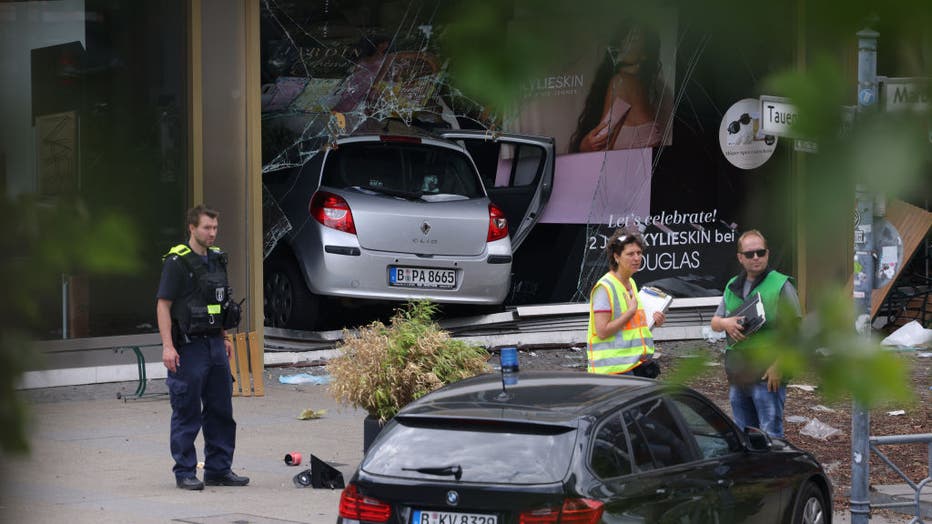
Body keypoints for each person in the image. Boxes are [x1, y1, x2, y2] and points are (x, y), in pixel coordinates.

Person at [157, 205, 248, 490]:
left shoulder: (218, 259)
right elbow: (163, 305)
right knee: (187, 411)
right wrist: (168, 347)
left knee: (221, 409)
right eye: (207, 227)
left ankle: (219, 469)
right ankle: (185, 472)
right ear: (192, 228)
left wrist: (223, 337)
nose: (212, 233)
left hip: (214, 345)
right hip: (189, 347)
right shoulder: (177, 261)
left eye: (215, 228)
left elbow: (217, 304)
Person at [710, 229, 802, 439]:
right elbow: (715, 322)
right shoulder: (732, 285)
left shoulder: (781, 284)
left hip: (767, 374)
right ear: (740, 258)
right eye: (750, 254)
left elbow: (795, 332)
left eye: (760, 252)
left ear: (767, 254)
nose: (756, 258)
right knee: (743, 435)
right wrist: (726, 323)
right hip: (738, 373)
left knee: (770, 435)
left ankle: (773, 471)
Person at [570, 22, 664, 153]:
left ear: (645, 54)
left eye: (634, 38)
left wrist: (583, 146)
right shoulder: (638, 89)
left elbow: (601, 143)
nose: (624, 41)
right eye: (625, 36)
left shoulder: (622, 82)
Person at [587, 229, 666, 376]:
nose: (637, 258)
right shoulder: (605, 287)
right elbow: (602, 331)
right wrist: (630, 313)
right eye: (630, 254)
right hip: (614, 371)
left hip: (635, 364)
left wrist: (653, 320)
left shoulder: (631, 283)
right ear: (616, 257)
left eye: (639, 253)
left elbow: (631, 327)